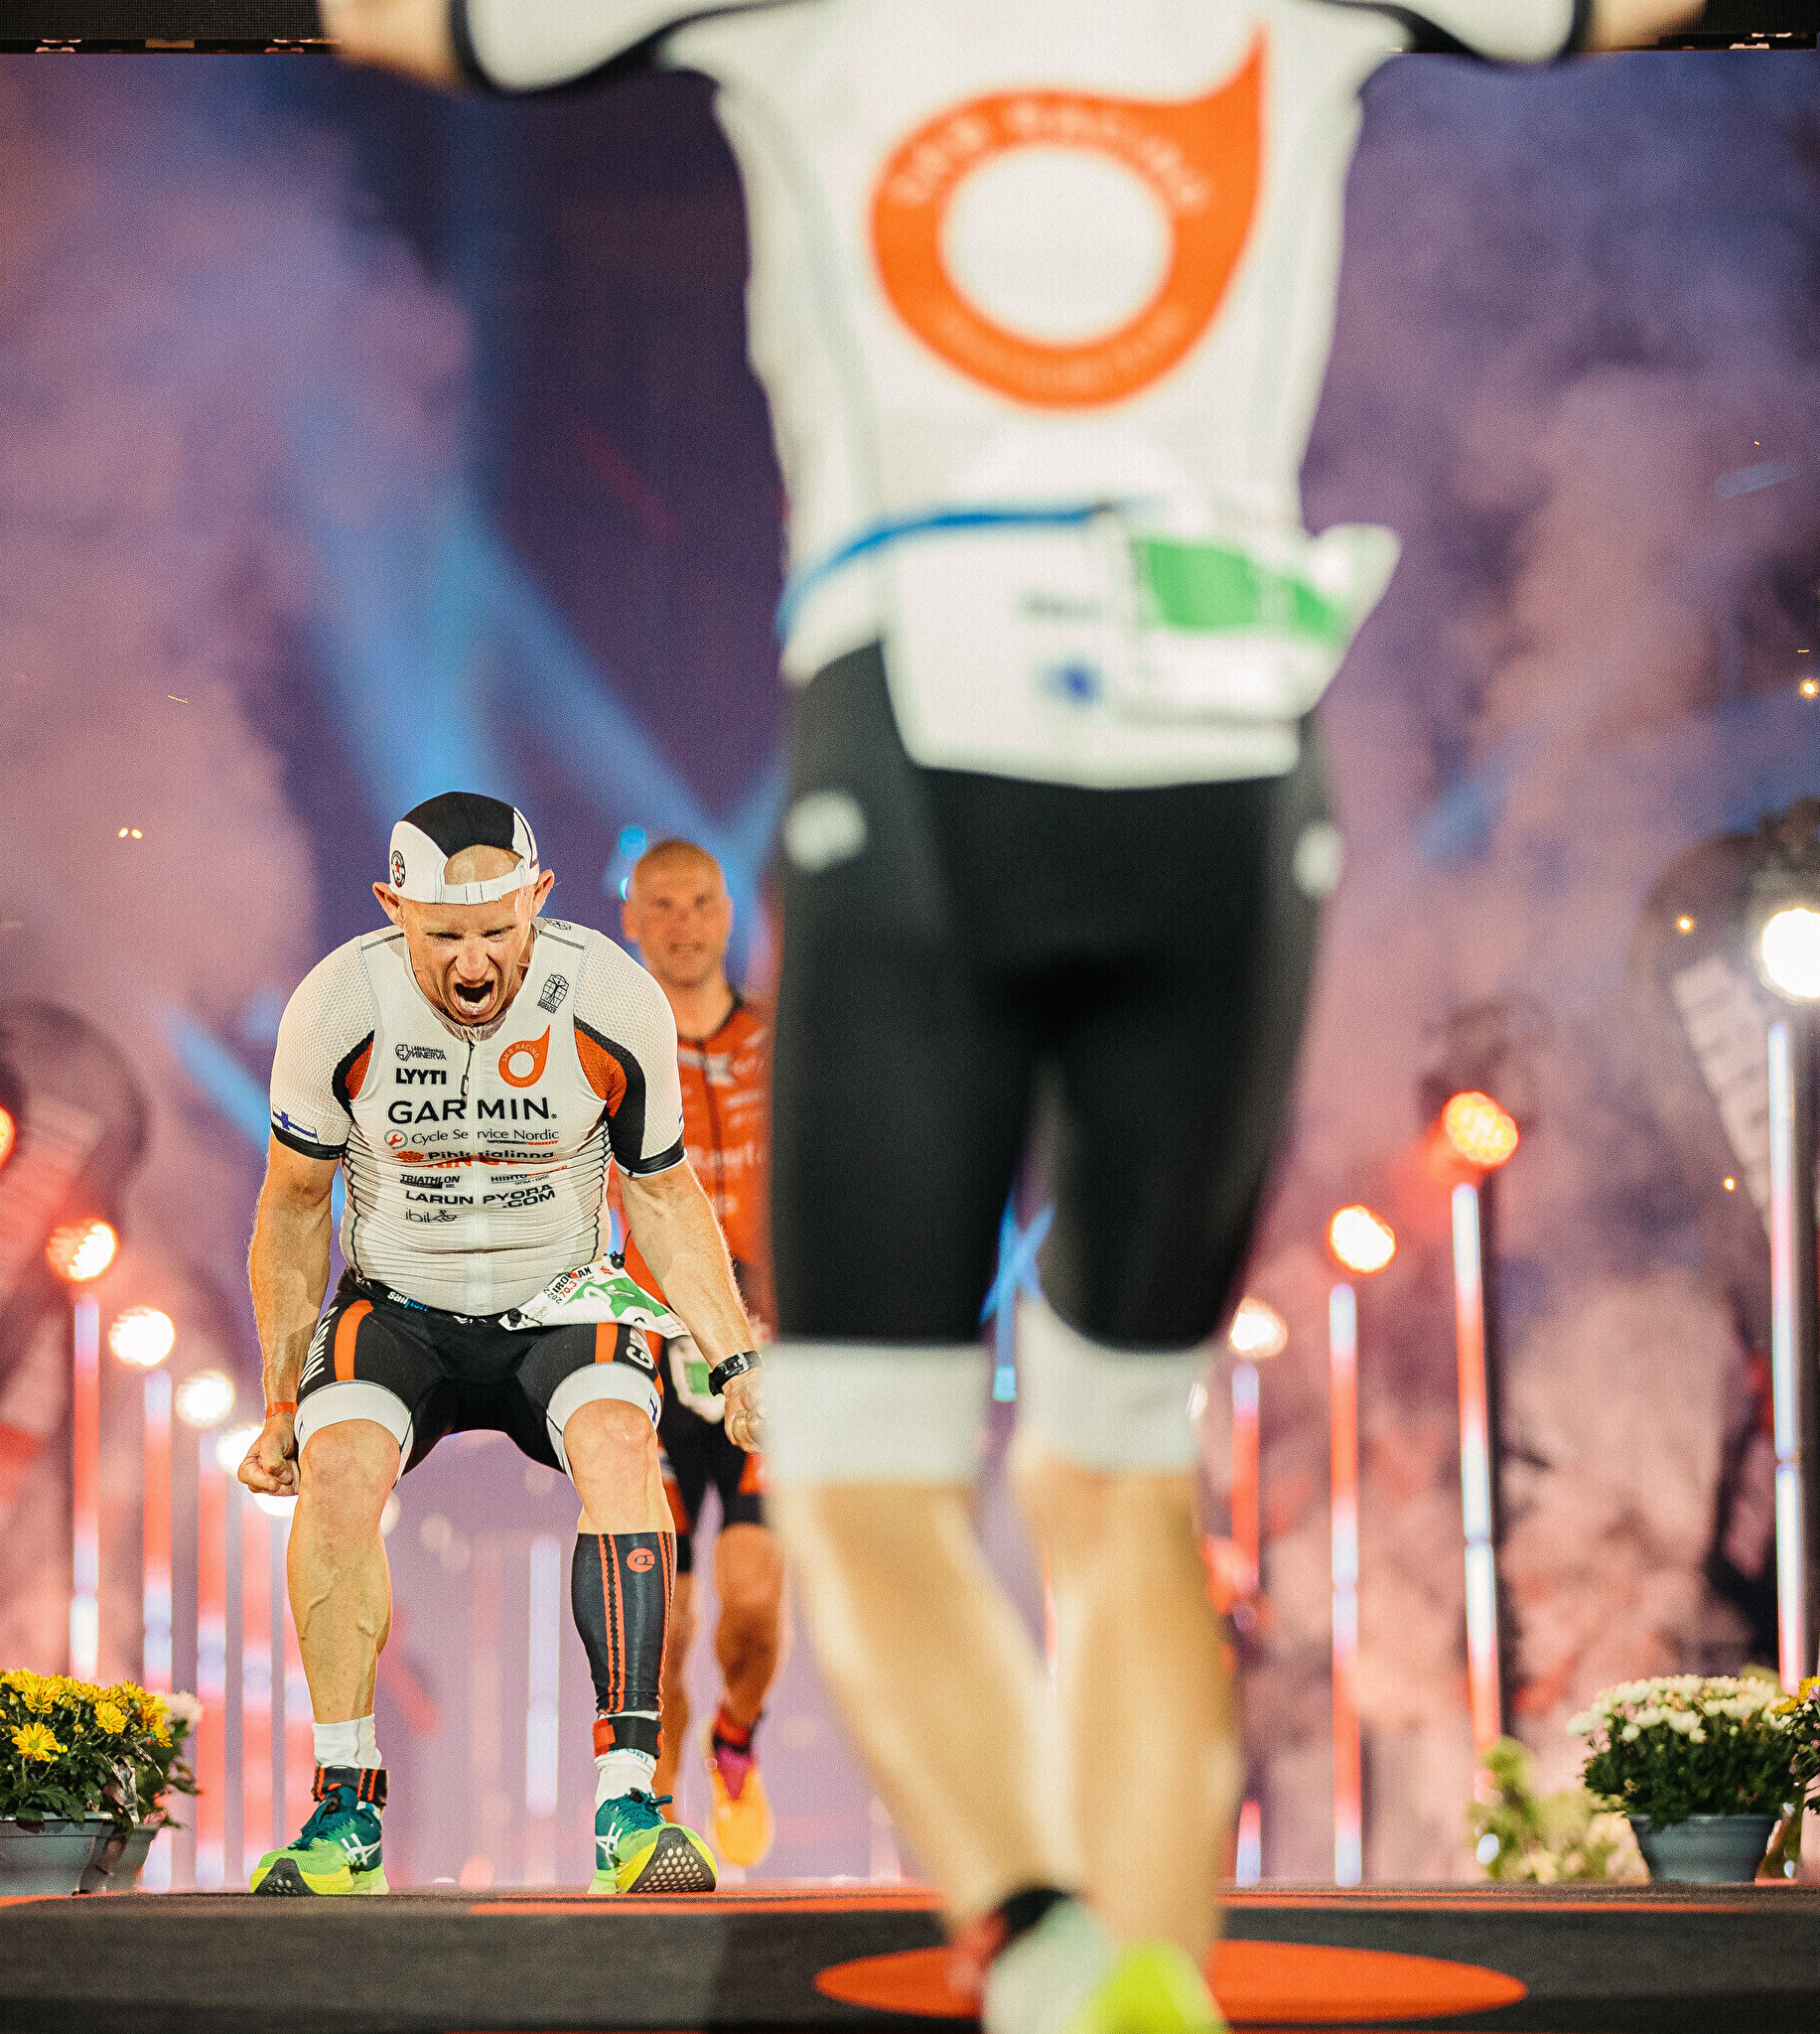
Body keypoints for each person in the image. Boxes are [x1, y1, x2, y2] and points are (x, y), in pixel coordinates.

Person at [325, 2, 1709, 2026]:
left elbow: (382, 21)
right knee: (1117, 1470)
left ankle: (1052, 1948)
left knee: (869, 1486)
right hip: (1230, 759)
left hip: (925, 724)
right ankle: (1141, 1982)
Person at [240, 792, 764, 1897]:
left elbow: (662, 1194)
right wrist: (281, 1402)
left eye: (497, 931)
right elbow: (291, 1205)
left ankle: (632, 1803)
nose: (474, 965)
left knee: (621, 1444)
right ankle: (344, 1810)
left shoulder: (610, 995)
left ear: (541, 899)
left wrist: (737, 1362)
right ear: (392, 909)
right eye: (443, 936)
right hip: (400, 1304)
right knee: (338, 1471)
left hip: (561, 1297)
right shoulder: (339, 1002)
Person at [611, 839, 781, 1867]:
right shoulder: (605, 1049)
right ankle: (658, 1823)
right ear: (631, 921)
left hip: (771, 1363)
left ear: (728, 914)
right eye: (661, 906)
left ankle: (735, 1742)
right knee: (663, 1625)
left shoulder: (780, 1043)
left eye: (701, 903)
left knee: (753, 1604)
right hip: (650, 1360)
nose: (682, 924)